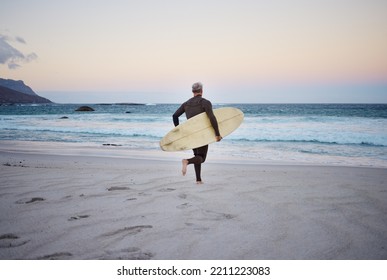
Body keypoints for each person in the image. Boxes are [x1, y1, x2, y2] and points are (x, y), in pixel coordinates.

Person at [172, 82, 222, 184]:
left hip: (191, 134)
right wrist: (217, 133)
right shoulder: (205, 102)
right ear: (202, 91)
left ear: (192, 91)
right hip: (202, 134)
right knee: (202, 158)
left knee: (197, 155)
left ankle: (198, 180)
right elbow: (212, 117)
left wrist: (179, 131)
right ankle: (187, 161)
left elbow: (175, 116)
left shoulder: (186, 104)